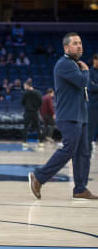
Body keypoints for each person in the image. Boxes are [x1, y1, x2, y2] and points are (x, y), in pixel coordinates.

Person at [28, 32, 98, 200]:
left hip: (81, 115)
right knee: (69, 150)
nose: (79, 46)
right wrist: (87, 71)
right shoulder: (64, 64)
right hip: (69, 116)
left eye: (80, 43)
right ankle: (39, 177)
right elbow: (82, 83)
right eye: (75, 43)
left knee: (84, 152)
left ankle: (80, 188)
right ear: (66, 47)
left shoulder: (74, 64)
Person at [21, 80, 43, 147]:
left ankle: (24, 142)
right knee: (38, 127)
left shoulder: (25, 93)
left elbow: (22, 102)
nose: (24, 87)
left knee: (26, 127)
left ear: (27, 85)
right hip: (35, 112)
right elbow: (41, 102)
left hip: (28, 112)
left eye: (24, 85)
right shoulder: (38, 92)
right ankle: (41, 142)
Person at [88, 53, 98, 153]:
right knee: (91, 128)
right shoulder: (89, 72)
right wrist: (94, 86)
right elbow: (91, 87)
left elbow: (95, 86)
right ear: (94, 60)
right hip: (93, 105)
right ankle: (90, 143)